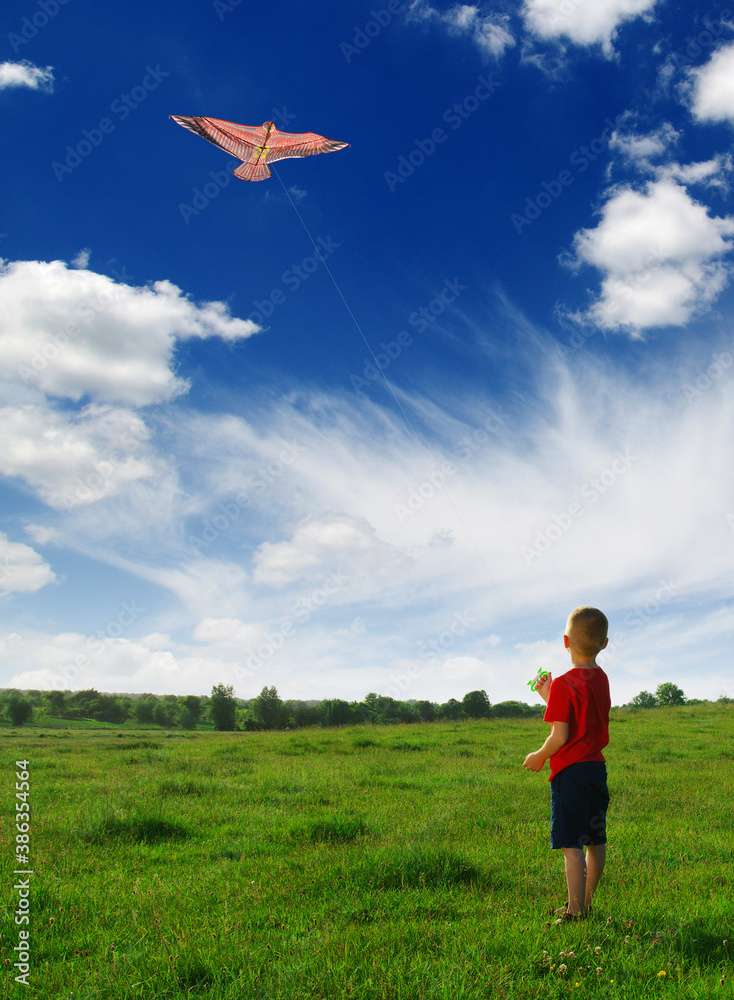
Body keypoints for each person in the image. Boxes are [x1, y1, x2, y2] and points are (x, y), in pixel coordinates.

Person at [523, 606, 611, 922]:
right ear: (604, 644)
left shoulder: (563, 683)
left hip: (569, 773)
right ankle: (584, 901)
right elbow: (581, 717)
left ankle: (576, 912)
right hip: (595, 770)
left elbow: (560, 736)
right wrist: (551, 695)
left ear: (565, 641)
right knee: (594, 841)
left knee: (571, 847)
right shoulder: (601, 679)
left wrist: (539, 755)